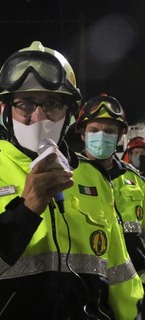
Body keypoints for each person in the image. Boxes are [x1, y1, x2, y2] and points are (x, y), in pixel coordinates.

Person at [0, 41, 143, 319]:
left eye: (52, 103)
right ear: (4, 110)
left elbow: (121, 275)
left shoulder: (94, 177)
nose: (38, 117)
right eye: (25, 103)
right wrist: (24, 214)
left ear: (69, 112)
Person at [75, 93, 145, 285]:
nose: (101, 136)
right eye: (94, 130)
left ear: (120, 135)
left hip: (134, 288)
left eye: (109, 131)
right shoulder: (67, 177)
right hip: (85, 289)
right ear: (83, 134)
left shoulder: (136, 180)